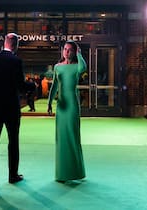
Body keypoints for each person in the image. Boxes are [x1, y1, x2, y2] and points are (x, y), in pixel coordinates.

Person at [0, 33, 35, 192]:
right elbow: (20, 86)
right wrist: (31, 85)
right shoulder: (16, 61)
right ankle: (12, 175)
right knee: (13, 142)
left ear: (4, 43)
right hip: (11, 108)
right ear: (16, 44)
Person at [47, 40, 87, 182]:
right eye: (65, 49)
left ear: (74, 52)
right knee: (61, 137)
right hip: (61, 106)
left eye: (70, 50)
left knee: (72, 135)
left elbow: (84, 68)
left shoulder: (77, 66)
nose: (67, 52)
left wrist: (80, 54)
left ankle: (76, 172)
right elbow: (54, 86)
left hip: (72, 106)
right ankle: (62, 173)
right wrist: (49, 102)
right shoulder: (58, 67)